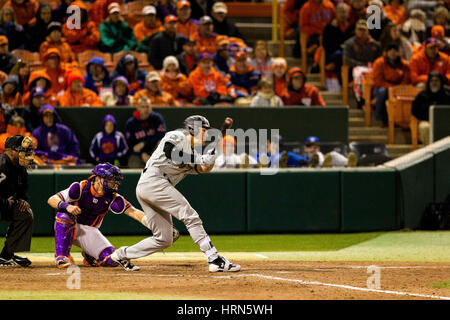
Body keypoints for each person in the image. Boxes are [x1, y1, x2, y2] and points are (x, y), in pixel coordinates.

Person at [110, 115, 241, 272]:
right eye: (203, 130)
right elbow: (170, 151)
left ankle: (121, 254)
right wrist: (200, 158)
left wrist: (211, 159)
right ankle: (213, 258)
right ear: (192, 129)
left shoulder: (193, 153)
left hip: (153, 186)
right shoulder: (177, 136)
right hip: (153, 180)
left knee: (164, 238)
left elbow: (202, 169)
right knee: (190, 215)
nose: (206, 135)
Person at [47, 163, 160, 270]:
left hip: (89, 231)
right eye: (110, 179)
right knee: (64, 215)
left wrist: (153, 224)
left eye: (114, 180)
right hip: (69, 225)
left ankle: (89, 254)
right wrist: (67, 206)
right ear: (97, 179)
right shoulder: (80, 187)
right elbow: (52, 199)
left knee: (111, 260)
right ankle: (61, 257)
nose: (113, 183)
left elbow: (134, 212)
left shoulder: (113, 197)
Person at [0, 135, 34, 267]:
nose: (27, 154)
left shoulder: (20, 168)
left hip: (4, 205)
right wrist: (3, 202)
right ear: (10, 151)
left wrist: (22, 200)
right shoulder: (1, 164)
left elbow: (22, 190)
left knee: (25, 213)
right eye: (23, 150)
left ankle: (6, 256)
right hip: (2, 203)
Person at [343, 19, 382, 107]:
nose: (362, 32)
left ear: (368, 31)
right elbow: (347, 60)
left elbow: (380, 59)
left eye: (364, 30)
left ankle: (372, 98)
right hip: (355, 68)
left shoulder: (375, 44)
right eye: (359, 30)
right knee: (359, 74)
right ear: (355, 31)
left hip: (372, 68)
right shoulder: (349, 43)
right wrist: (360, 64)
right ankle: (360, 98)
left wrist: (373, 66)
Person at [372, 42, 411, 127]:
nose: (393, 53)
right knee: (382, 92)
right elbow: (378, 81)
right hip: (382, 87)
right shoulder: (379, 63)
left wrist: (399, 88)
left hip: (399, 87)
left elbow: (406, 79)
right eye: (390, 51)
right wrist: (391, 88)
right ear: (386, 52)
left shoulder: (404, 64)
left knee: (407, 91)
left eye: (395, 51)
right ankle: (380, 118)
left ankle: (402, 120)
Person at [124, 97, 167, 168]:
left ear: (151, 107)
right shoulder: (131, 123)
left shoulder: (157, 118)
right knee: (134, 164)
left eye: (147, 106)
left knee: (161, 143)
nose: (145, 109)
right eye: (143, 107)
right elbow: (130, 144)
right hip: (138, 153)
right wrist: (141, 154)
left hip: (154, 150)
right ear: (138, 108)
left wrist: (144, 143)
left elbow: (162, 136)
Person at [411, 71, 450, 145]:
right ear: (428, 83)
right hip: (427, 121)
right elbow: (414, 111)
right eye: (432, 81)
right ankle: (430, 151)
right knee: (424, 127)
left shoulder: (448, 94)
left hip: (445, 123)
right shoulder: (422, 95)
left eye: (436, 81)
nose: (434, 83)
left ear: (441, 82)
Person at [322, 2, 355, 85]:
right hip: (333, 54)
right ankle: (343, 84)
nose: (342, 14)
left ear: (348, 14)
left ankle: (351, 83)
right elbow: (326, 45)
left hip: (349, 54)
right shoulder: (329, 28)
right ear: (336, 13)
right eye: (340, 12)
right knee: (340, 55)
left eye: (344, 12)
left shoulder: (352, 28)